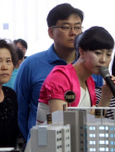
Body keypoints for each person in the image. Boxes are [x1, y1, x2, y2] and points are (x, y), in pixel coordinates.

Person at [14, 3, 85, 141]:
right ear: (51, 32)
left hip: (81, 143)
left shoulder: (89, 65)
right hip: (41, 143)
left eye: (78, 27)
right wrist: (31, 138)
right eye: (66, 27)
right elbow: (20, 110)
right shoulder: (31, 65)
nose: (73, 33)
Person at [37, 27, 115, 121]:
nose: (103, 60)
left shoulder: (89, 81)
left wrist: (106, 97)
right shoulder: (60, 77)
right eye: (98, 53)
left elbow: (95, 122)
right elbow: (59, 123)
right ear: (81, 51)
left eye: (108, 54)